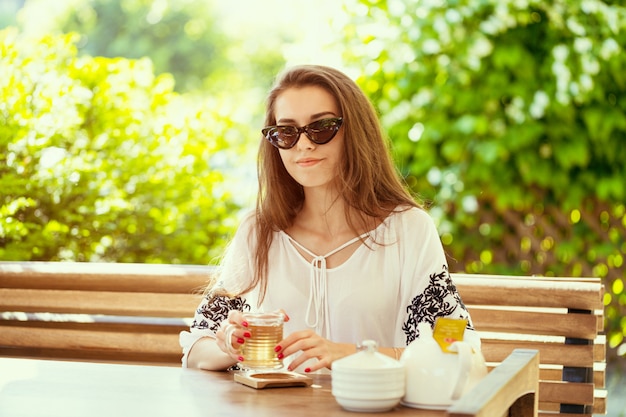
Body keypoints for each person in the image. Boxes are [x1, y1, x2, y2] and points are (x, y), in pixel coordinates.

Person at [179, 64, 478, 373]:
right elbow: (197, 347)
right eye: (286, 132)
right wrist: (231, 347)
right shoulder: (259, 231)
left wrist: (353, 354)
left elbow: (454, 344)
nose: (304, 144)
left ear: (356, 132)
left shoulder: (408, 229)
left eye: (321, 127)